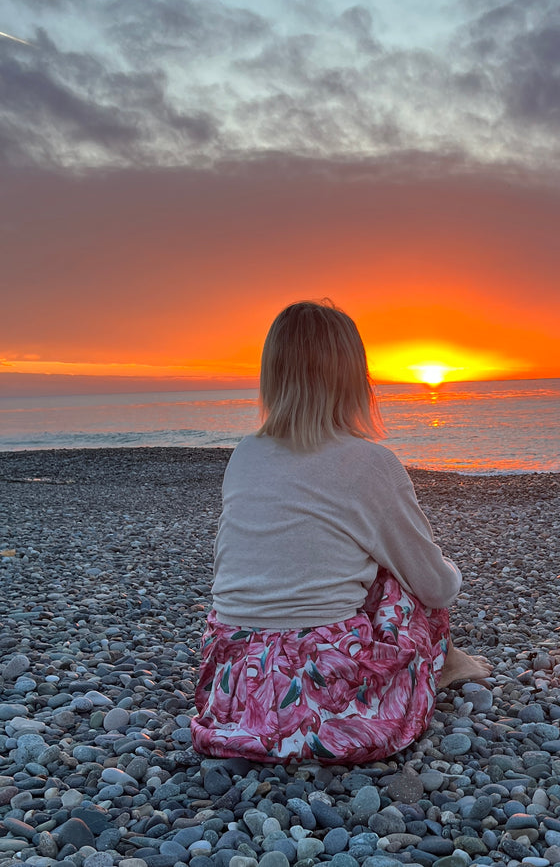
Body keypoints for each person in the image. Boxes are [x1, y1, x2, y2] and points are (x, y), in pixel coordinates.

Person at [191, 300, 490, 764]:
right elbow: (435, 586)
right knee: (397, 575)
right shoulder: (368, 462)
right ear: (355, 379)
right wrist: (445, 569)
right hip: (323, 698)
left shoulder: (246, 453)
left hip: (231, 684)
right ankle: (445, 662)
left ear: (273, 375)